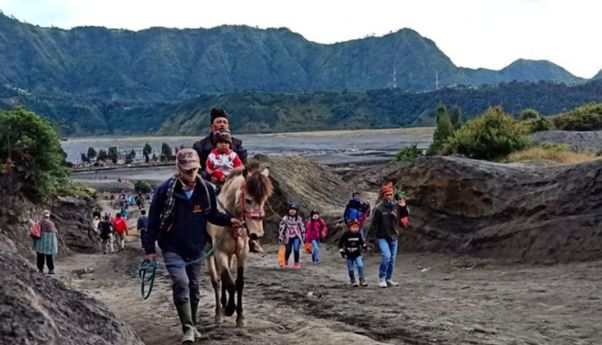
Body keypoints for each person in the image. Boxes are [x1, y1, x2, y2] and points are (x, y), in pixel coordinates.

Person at [143, 148, 243, 343]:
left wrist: (230, 220)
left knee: (194, 287)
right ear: (178, 167)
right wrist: (149, 250)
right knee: (181, 283)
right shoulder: (164, 191)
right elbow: (152, 221)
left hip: (196, 247)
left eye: (195, 168)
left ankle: (193, 324)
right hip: (172, 246)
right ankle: (188, 328)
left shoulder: (206, 189)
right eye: (187, 169)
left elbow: (212, 214)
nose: (191, 172)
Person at [367, 182, 409, 288]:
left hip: (394, 236)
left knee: (392, 259)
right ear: (383, 196)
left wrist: (404, 207)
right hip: (382, 236)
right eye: (387, 195)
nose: (389, 196)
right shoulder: (379, 208)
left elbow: (405, 214)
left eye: (390, 194)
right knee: (386, 256)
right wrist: (370, 239)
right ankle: (382, 278)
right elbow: (373, 224)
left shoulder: (396, 205)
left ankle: (389, 279)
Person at [192, 107, 248, 180]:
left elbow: (243, 165)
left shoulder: (237, 144)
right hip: (208, 181)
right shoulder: (200, 146)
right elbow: (196, 169)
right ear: (212, 126)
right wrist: (210, 176)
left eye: (225, 122)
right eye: (219, 122)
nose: (222, 125)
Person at [338, 219, 368, 287]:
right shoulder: (346, 234)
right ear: (350, 227)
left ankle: (362, 279)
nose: (355, 229)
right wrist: (342, 252)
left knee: (360, 265)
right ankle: (353, 280)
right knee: (350, 268)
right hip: (349, 255)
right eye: (353, 227)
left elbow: (361, 242)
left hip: (357, 253)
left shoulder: (358, 234)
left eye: (357, 227)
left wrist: (365, 246)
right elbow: (340, 244)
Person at [278, 203, 306, 269]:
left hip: (296, 236)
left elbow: (302, 228)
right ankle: (285, 261)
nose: (292, 211)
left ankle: (296, 263)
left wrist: (303, 237)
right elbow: (281, 228)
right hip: (288, 237)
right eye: (291, 209)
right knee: (288, 250)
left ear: (296, 211)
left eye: (294, 210)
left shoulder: (299, 219)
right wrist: (281, 237)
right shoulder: (285, 218)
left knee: (296, 249)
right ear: (288, 210)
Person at [33, 210, 58, 274]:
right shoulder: (51, 223)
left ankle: (40, 269)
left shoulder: (39, 222)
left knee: (40, 256)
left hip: (40, 242)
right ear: (49, 215)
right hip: (49, 243)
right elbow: (54, 231)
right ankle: (51, 269)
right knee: (49, 256)